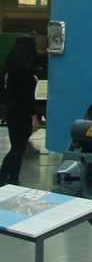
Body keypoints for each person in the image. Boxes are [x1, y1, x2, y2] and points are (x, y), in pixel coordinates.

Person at [0, 35, 39, 187]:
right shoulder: (26, 72)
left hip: (10, 109)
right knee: (19, 148)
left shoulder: (9, 68)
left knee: (16, 145)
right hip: (22, 112)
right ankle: (13, 180)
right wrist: (33, 117)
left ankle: (3, 176)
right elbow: (28, 98)